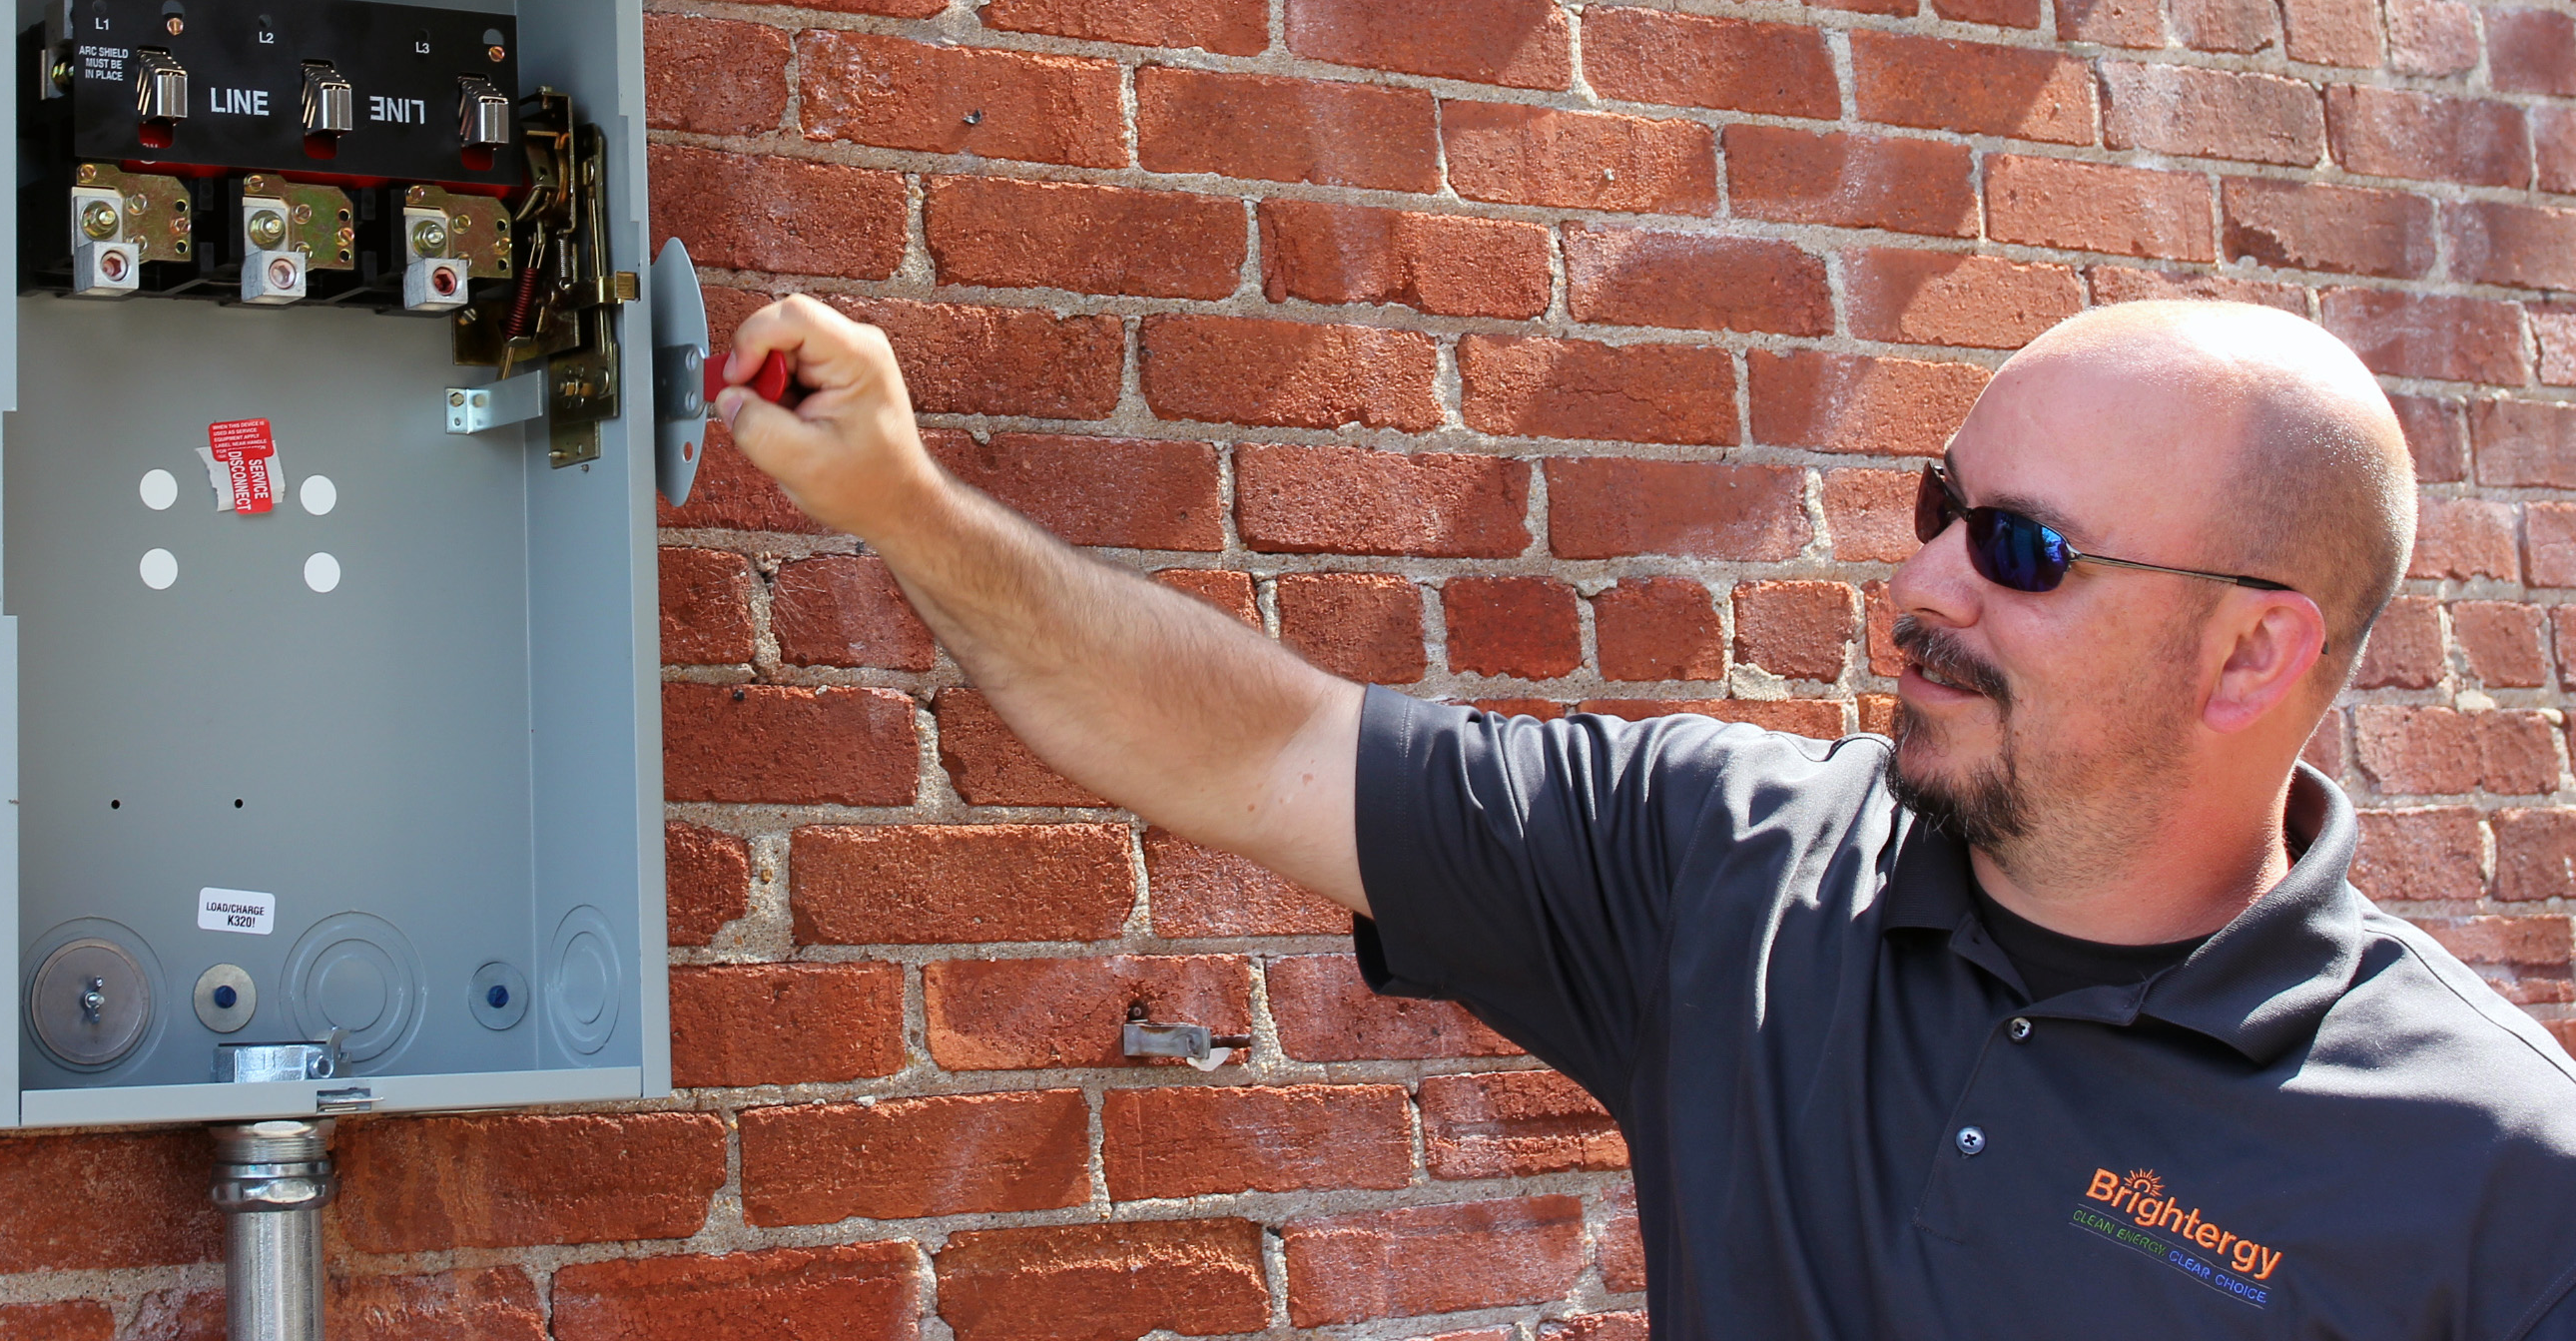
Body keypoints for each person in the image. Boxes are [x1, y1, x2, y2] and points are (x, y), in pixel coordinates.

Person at [712, 292, 2576, 1338]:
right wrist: (901, 501)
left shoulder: (2497, 1178)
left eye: (2020, 551)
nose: (1920, 582)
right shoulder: (1730, 868)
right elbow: (1252, 747)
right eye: (1939, 503)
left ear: (2253, 659)